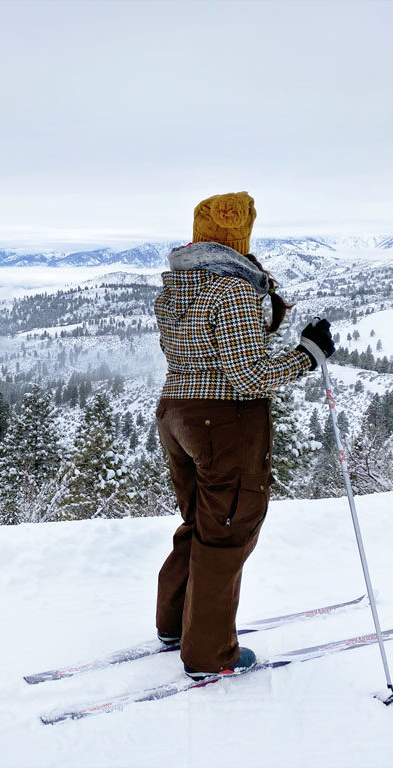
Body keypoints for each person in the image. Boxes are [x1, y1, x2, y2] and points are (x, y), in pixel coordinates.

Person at [153, 191, 334, 680]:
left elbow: (215, 349)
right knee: (226, 535)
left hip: (177, 414)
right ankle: (209, 654)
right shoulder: (231, 288)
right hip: (224, 423)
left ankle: (175, 626)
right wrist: (309, 354)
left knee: (197, 522)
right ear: (240, 233)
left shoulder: (178, 283)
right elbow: (248, 377)